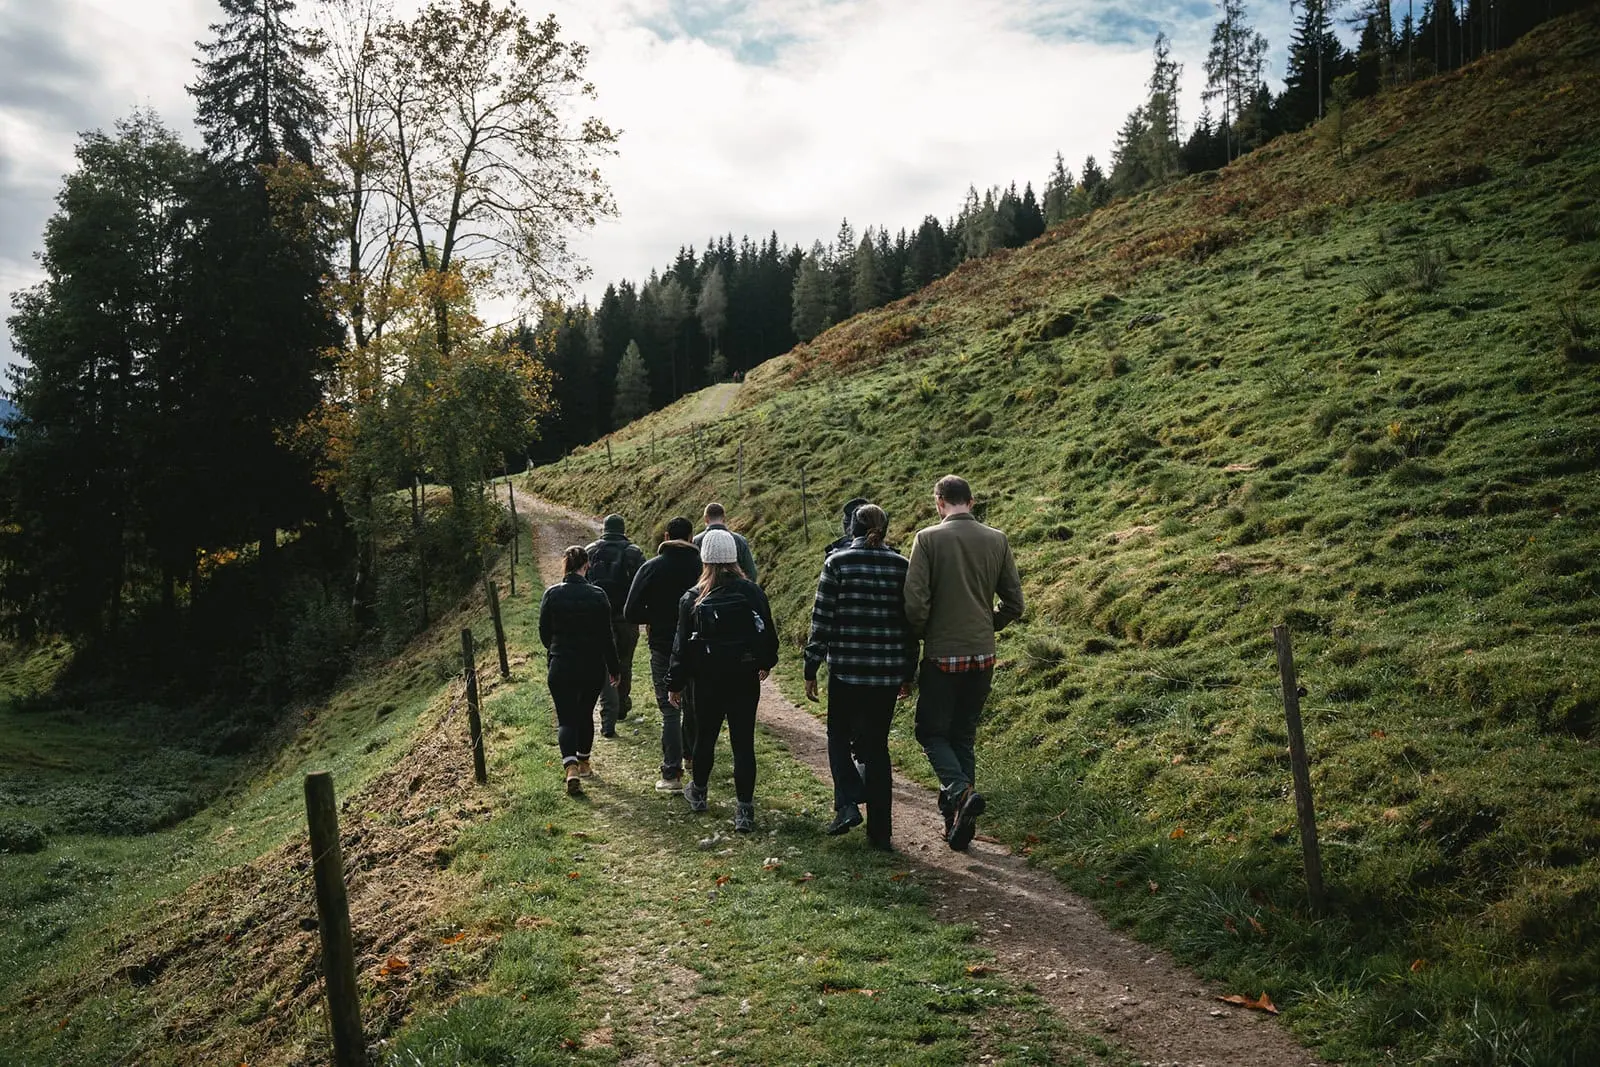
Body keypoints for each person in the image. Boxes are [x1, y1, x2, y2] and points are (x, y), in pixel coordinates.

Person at [903, 475, 1024, 850]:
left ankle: (958, 792)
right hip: (983, 654)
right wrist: (989, 625)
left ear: (939, 502)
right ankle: (958, 824)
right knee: (963, 735)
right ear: (971, 502)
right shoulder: (997, 539)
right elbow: (1015, 604)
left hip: (942, 654)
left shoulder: (927, 539)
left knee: (930, 732)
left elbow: (915, 603)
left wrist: (925, 633)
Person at [803, 504, 917, 850]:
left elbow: (822, 619)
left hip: (847, 671)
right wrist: (907, 671)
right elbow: (911, 623)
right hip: (885, 672)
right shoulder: (901, 566)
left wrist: (811, 666)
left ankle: (849, 801)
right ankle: (881, 833)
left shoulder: (837, 563)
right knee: (876, 747)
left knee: (838, 735)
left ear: (850, 526)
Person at [666, 529, 778, 833]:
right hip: (743, 678)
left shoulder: (692, 597)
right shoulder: (752, 591)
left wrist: (675, 683)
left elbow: (681, 646)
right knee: (744, 743)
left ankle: (699, 793)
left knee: (705, 738)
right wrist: (765, 663)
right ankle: (744, 810)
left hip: (706, 681)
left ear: (705, 559)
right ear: (734, 557)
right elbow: (767, 632)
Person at [623, 516, 701, 792]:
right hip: (697, 644)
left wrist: (653, 615)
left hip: (662, 644)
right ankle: (691, 756)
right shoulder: (703, 568)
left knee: (670, 710)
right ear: (692, 538)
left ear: (666, 536)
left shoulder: (651, 568)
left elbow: (630, 611)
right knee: (693, 703)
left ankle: (672, 773)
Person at [539, 546, 621, 796]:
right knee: (585, 713)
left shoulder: (552, 594)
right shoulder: (598, 595)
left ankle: (570, 767)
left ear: (565, 566)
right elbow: (608, 637)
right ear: (586, 567)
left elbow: (544, 633)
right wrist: (614, 668)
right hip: (591, 665)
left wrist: (556, 648)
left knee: (566, 717)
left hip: (561, 663)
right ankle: (584, 762)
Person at [586, 514, 646, 738]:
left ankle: (606, 708)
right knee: (625, 661)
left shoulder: (591, 550)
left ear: (604, 529)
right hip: (626, 617)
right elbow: (643, 583)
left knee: (603, 663)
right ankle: (621, 702)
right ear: (623, 529)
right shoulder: (634, 552)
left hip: (598, 617)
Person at [693, 502, 757, 584]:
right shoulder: (740, 540)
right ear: (724, 518)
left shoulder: (696, 541)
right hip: (736, 590)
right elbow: (751, 572)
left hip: (704, 591)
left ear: (706, 518)